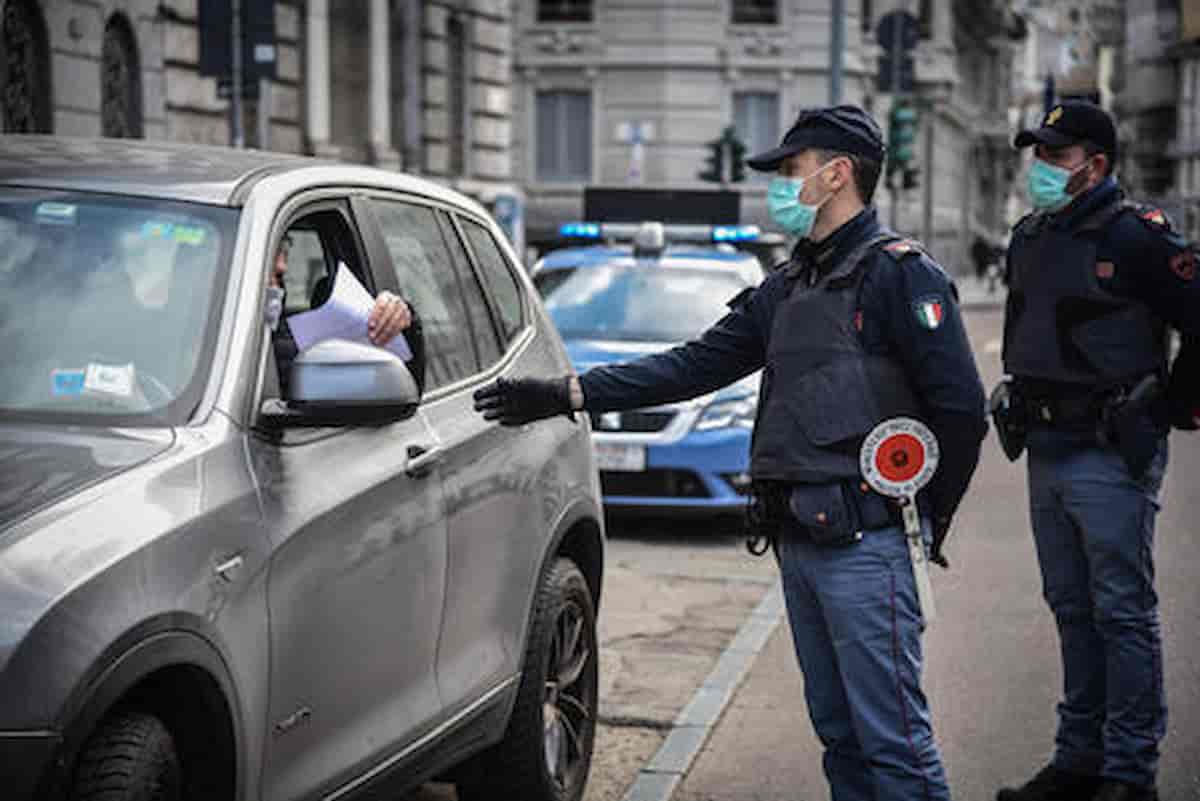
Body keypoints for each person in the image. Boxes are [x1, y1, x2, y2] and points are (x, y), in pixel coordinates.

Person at [474, 105, 989, 801]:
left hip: (868, 541)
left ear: (837, 175)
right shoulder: (789, 284)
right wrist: (567, 392)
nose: (779, 185)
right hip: (799, 540)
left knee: (893, 743)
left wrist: (921, 519)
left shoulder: (901, 275)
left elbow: (960, 411)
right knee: (841, 736)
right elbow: (690, 365)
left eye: (789, 170)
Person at [992, 100, 1200, 801]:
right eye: (1039, 154)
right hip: (1046, 446)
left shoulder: (1137, 236)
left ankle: (1128, 772)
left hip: (1111, 450)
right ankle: (1078, 759)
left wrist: (1175, 406)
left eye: (1055, 156)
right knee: (1072, 606)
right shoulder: (1031, 235)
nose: (1041, 168)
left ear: (1096, 164)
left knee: (1120, 610)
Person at [267, 233, 417, 395]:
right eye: (269, 248)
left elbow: (404, 386)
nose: (282, 266)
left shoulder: (290, 338)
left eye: (283, 249)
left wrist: (402, 321)